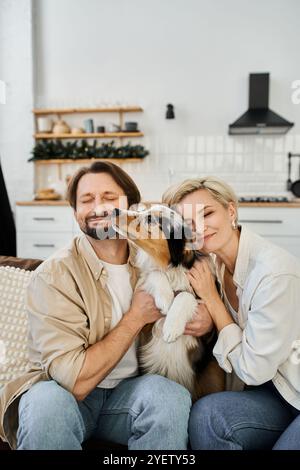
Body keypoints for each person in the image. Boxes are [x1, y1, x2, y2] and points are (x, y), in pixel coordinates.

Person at [0, 162, 193, 450]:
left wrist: (200, 318)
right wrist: (135, 318)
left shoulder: (153, 255)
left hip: (128, 394)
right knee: (45, 404)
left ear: (131, 204)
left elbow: (195, 284)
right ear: (75, 212)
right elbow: (73, 381)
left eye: (110, 197)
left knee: (169, 395)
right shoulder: (55, 276)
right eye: (87, 200)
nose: (99, 207)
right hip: (66, 395)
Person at [162, 176, 300, 450]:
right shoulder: (213, 263)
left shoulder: (274, 274)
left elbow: (253, 370)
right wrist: (207, 321)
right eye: (188, 224)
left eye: (208, 213)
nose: (199, 228)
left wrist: (212, 302)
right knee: (207, 416)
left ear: (231, 211)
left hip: (292, 387)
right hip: (275, 391)